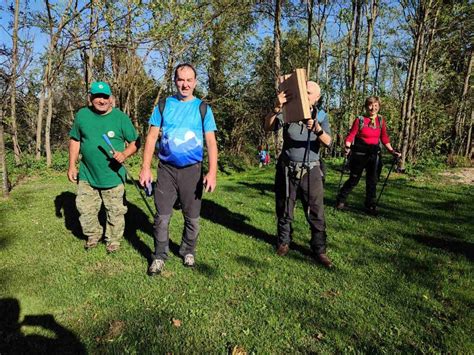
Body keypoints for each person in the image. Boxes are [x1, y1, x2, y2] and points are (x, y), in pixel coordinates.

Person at [139, 63, 218, 276]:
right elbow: (151, 137)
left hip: (193, 171)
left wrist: (212, 172)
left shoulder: (203, 108)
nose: (185, 84)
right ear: (175, 81)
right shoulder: (164, 105)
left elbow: (210, 142)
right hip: (166, 170)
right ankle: (159, 255)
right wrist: (146, 168)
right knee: (161, 217)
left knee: (192, 218)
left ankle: (188, 250)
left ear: (195, 82)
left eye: (189, 80)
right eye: (181, 80)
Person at [264, 81, 333, 268]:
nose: (305, 95)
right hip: (286, 167)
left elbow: (329, 142)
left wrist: (317, 129)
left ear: (316, 97)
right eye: (304, 91)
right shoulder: (288, 112)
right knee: (284, 206)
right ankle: (284, 242)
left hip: (311, 169)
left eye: (309, 93)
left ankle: (319, 250)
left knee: (316, 211)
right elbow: (268, 126)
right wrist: (276, 107)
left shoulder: (322, 115)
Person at [68, 81, 139, 253]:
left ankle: (113, 240)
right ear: (90, 97)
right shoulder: (82, 115)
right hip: (87, 173)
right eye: (97, 96)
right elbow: (75, 140)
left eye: (105, 97)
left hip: (113, 175)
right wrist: (72, 165)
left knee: (115, 211)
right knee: (85, 209)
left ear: (111, 98)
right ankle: (93, 235)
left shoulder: (120, 118)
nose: (101, 100)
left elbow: (135, 142)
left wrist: (124, 154)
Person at [336, 96, 401, 215]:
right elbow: (351, 135)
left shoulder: (381, 121)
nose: (373, 108)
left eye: (376, 105)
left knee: (372, 181)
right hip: (359, 154)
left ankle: (370, 205)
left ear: (379, 107)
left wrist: (392, 151)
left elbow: (384, 138)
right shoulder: (360, 120)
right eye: (371, 105)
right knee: (354, 179)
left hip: (374, 155)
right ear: (366, 106)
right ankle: (341, 200)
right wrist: (347, 146)